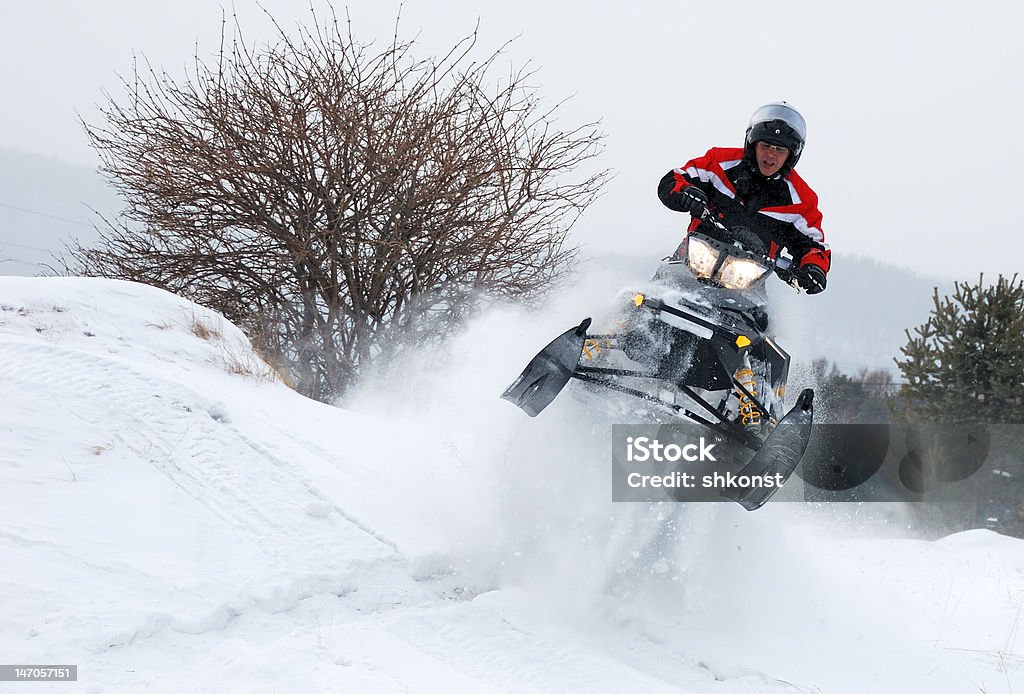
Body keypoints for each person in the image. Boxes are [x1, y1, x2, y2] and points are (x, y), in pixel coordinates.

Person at [657, 102, 829, 294]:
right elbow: (676, 178)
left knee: (764, 320)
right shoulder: (720, 163)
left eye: (780, 149)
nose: (771, 155)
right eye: (766, 145)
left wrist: (814, 268)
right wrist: (685, 192)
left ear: (791, 154)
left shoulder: (800, 200)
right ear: (753, 144)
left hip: (748, 280)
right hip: (693, 257)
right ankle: (626, 318)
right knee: (651, 293)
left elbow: (814, 245)